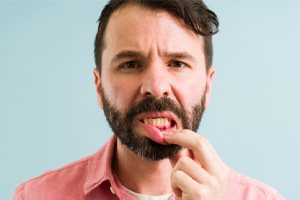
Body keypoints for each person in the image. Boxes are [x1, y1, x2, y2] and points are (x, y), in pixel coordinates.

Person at [14, 0, 285, 199]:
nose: (156, 87)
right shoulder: (35, 196)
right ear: (99, 88)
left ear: (207, 86)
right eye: (131, 64)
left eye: (177, 63)